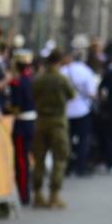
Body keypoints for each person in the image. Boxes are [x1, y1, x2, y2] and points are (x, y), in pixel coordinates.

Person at [31, 49, 77, 209]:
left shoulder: (39, 79)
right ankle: (54, 195)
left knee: (39, 160)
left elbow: (33, 95)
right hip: (58, 122)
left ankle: (37, 194)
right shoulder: (62, 79)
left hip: (41, 121)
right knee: (59, 158)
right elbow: (72, 95)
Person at [60, 48, 99, 176]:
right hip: (82, 110)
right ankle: (80, 167)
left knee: (67, 140)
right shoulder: (86, 71)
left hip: (66, 110)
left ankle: (67, 167)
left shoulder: (63, 71)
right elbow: (92, 93)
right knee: (83, 140)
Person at [9, 48, 36, 204]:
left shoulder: (18, 82)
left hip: (22, 123)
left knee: (21, 160)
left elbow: (16, 106)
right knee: (26, 159)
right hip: (32, 122)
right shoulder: (32, 79)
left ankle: (23, 194)